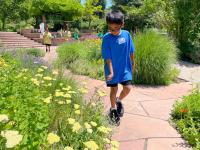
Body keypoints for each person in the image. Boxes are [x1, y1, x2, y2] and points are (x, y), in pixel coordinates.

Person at [101, 10, 135, 125]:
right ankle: (113, 109)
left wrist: (133, 65)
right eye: (110, 28)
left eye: (115, 28)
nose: (112, 31)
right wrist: (111, 72)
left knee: (128, 88)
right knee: (113, 89)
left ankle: (119, 100)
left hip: (125, 68)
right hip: (112, 70)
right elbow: (107, 57)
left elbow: (131, 51)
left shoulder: (127, 35)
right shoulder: (106, 38)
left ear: (122, 24)